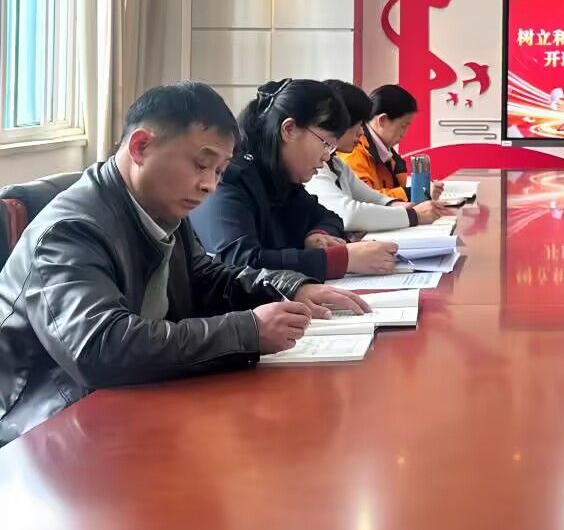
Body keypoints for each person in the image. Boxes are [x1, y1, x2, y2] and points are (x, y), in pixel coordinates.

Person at [0, 82, 370, 444]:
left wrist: (291, 288)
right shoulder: (69, 230)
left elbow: (206, 277)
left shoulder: (160, 207)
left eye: (220, 171)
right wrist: (248, 331)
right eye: (201, 164)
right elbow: (100, 348)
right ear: (141, 146)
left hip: (127, 404)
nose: (210, 185)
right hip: (44, 431)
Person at [191, 79, 399, 280]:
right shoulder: (228, 178)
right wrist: (340, 260)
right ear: (289, 129)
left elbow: (330, 217)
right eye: (326, 143)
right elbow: (240, 263)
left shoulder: (280, 177)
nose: (326, 157)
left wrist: (318, 235)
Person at [306, 80, 445, 232]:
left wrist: (396, 205)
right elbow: (349, 215)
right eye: (357, 124)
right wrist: (413, 215)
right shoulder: (315, 166)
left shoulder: (336, 163)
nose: (361, 132)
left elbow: (371, 197)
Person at [340, 84, 418, 201]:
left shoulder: (385, 152)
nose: (404, 133)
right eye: (403, 126)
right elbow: (366, 199)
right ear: (382, 120)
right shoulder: (353, 151)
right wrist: (413, 192)